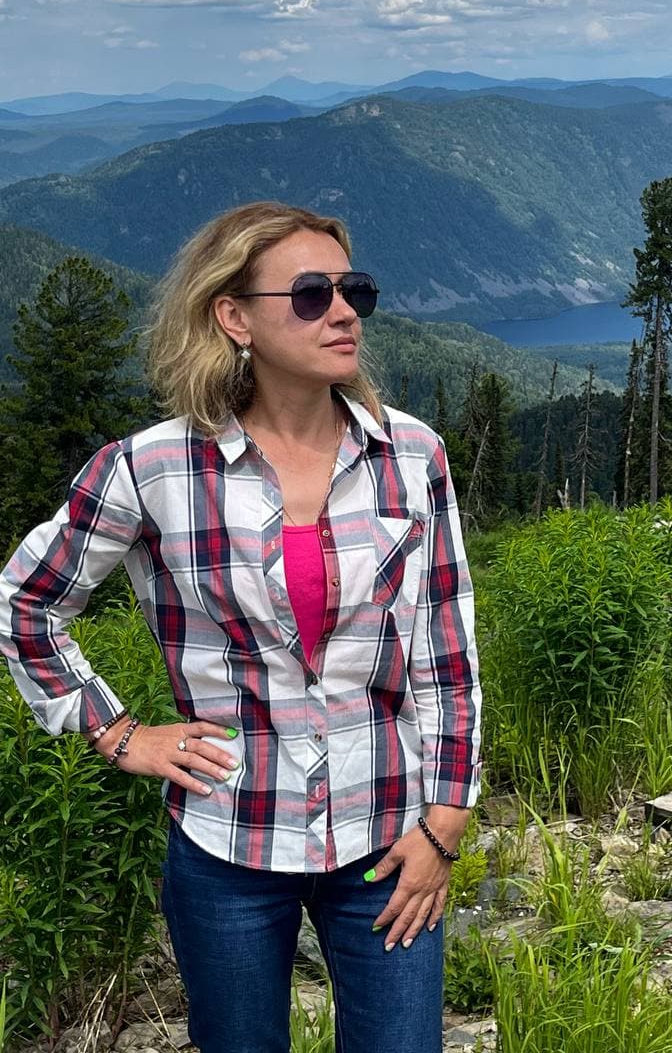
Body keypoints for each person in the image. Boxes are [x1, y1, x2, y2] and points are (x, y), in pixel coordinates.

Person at [0, 201, 482, 1053]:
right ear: (234, 317)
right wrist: (118, 733)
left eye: (355, 291)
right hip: (227, 842)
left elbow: (445, 652)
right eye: (311, 294)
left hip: (388, 836)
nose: (344, 312)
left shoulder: (413, 455)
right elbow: (25, 603)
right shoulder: (152, 468)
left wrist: (445, 821)